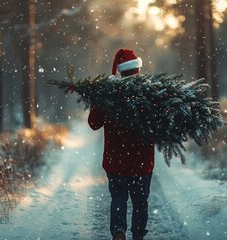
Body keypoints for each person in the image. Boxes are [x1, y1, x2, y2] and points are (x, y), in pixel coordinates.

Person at [88, 49, 155, 240]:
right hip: (142, 162)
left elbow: (94, 123)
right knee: (140, 203)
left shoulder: (110, 95)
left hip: (115, 161)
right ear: (138, 70)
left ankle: (118, 233)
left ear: (120, 71)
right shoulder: (150, 93)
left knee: (118, 199)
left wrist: (98, 98)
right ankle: (138, 236)